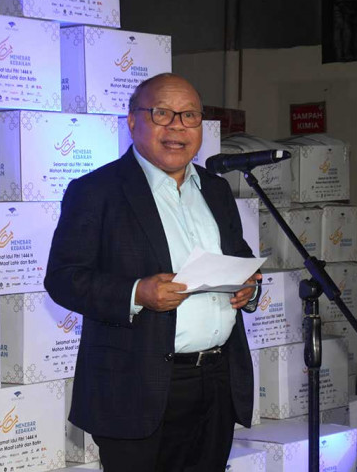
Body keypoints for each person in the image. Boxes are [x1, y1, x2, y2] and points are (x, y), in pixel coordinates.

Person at [44, 73, 262, 471]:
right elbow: (63, 278)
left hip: (216, 380)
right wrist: (136, 293)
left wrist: (249, 289)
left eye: (189, 115)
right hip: (135, 386)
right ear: (133, 121)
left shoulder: (215, 189)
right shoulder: (96, 191)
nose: (177, 126)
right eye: (162, 113)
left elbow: (241, 258)